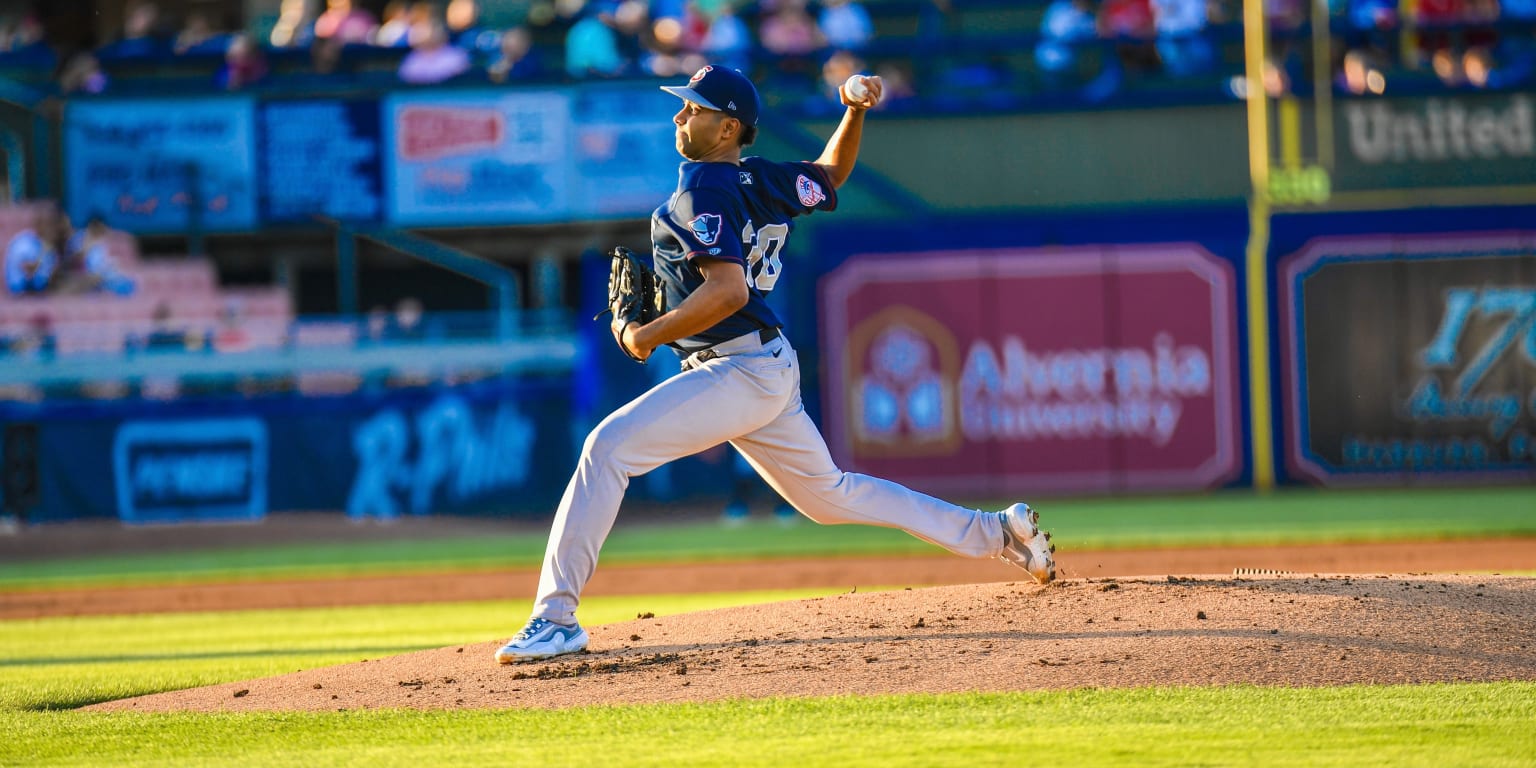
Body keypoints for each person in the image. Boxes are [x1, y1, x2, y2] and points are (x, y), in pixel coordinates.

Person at [494, 65, 1056, 664]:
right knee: (830, 497)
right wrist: (854, 110)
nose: (681, 115)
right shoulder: (757, 180)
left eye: (695, 108)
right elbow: (830, 173)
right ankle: (995, 531)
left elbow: (729, 293)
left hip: (738, 368)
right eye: (683, 105)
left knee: (606, 449)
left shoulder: (701, 190)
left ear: (728, 125)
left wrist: (645, 335)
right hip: (762, 367)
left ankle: (555, 618)